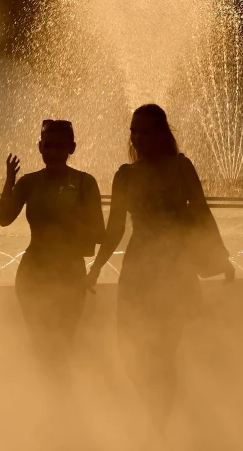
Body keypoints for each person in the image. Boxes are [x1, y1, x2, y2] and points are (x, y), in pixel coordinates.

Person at [87, 104, 234, 433]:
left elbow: (201, 213)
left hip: (174, 267)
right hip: (139, 265)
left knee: (163, 352)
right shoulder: (125, 175)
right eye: (133, 131)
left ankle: (157, 427)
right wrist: (96, 267)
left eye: (144, 130)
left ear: (161, 134)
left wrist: (219, 257)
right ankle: (155, 414)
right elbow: (114, 229)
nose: (137, 137)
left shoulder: (181, 168)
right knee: (128, 348)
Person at [0, 120, 103, 377]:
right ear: (39, 148)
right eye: (47, 146)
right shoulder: (29, 183)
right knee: (39, 342)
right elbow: (3, 218)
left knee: (63, 343)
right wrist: (9, 180)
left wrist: (73, 214)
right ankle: (49, 399)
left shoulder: (85, 183)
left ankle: (59, 401)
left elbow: (98, 231)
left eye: (59, 146)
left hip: (69, 273)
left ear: (71, 148)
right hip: (33, 272)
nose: (53, 152)